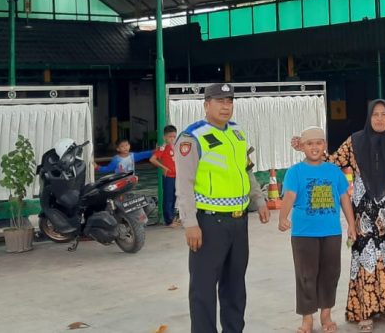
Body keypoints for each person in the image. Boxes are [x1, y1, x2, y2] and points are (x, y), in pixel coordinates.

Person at [292, 100, 385, 333]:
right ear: (369, 117)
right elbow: (333, 163)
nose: (379, 119)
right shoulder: (355, 141)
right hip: (366, 214)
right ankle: (365, 311)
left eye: (383, 114)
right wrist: (309, 148)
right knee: (367, 260)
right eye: (375, 114)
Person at [175, 83, 270, 333]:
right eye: (219, 101)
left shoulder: (237, 133)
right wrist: (190, 223)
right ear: (206, 105)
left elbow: (246, 170)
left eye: (229, 102)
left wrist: (258, 199)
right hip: (209, 223)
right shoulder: (192, 137)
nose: (226, 107)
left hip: (238, 223)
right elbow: (184, 184)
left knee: (235, 287)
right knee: (204, 289)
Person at [279, 126, 357, 333]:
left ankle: (326, 315)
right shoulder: (295, 171)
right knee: (306, 275)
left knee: (330, 274)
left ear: (325, 146)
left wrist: (351, 224)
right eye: (310, 143)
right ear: (302, 147)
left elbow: (344, 198)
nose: (314, 147)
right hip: (304, 233)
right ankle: (307, 318)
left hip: (331, 232)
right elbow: (289, 196)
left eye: (319, 143)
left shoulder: (333, 171)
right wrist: (282, 217)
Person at [150, 125, 179, 227]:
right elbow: (152, 159)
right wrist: (164, 167)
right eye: (170, 137)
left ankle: (173, 217)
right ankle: (169, 220)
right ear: (164, 137)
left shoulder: (177, 147)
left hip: (177, 176)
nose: (172, 139)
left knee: (175, 197)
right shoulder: (163, 148)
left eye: (174, 136)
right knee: (168, 198)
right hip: (168, 177)